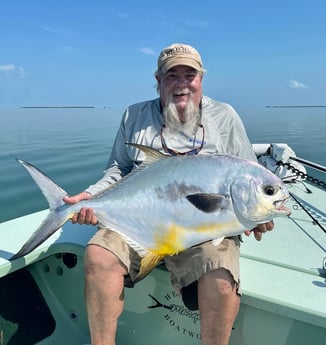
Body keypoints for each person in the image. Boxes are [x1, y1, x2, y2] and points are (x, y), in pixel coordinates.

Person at [64, 43, 274, 345]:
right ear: (158, 80)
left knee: (222, 275)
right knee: (98, 256)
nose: (181, 84)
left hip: (204, 230)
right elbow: (117, 170)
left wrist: (259, 213)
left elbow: (250, 176)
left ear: (201, 79)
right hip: (140, 223)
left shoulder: (225, 117)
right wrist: (91, 195)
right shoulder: (134, 116)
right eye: (172, 75)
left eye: (189, 75)